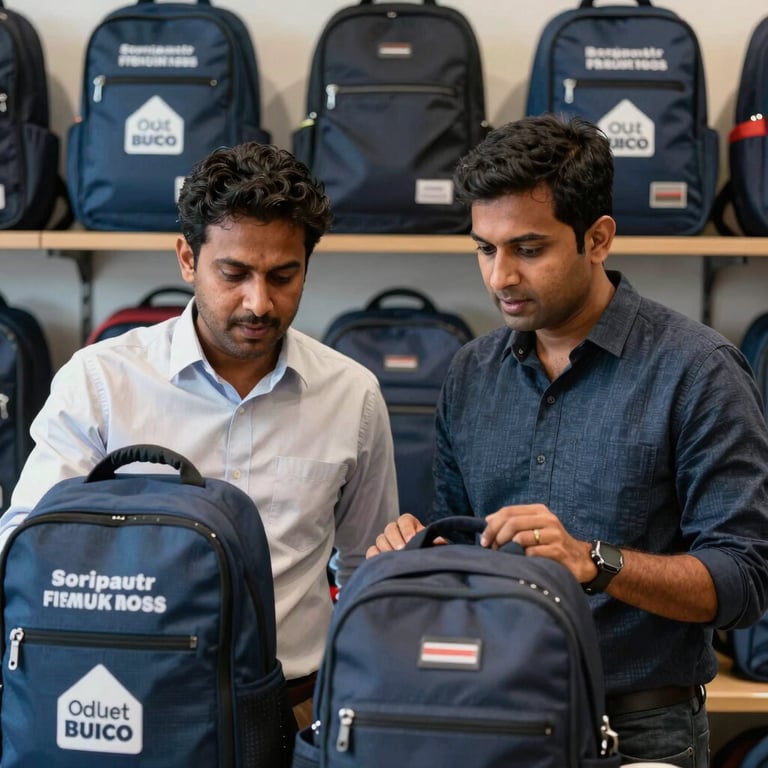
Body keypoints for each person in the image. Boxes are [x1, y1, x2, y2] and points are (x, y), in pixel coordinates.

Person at [366, 114, 768, 766]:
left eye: (528, 249)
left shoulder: (698, 371)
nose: (500, 277)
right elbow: (464, 554)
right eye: (484, 248)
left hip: (641, 728)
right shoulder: (469, 374)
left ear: (598, 239)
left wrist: (595, 562)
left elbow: (746, 580)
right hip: (489, 710)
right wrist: (414, 554)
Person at [1, 141, 399, 728]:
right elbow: (26, 545)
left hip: (292, 706)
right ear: (187, 258)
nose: (259, 302)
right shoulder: (102, 381)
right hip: (126, 696)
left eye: (283, 276)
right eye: (233, 274)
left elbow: (366, 568)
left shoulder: (353, 395)